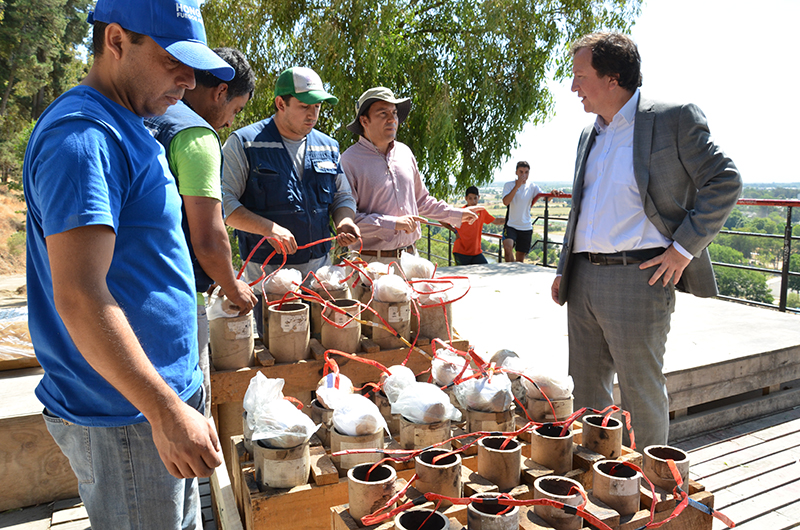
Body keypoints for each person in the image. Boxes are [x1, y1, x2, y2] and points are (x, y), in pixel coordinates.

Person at [23, 0, 235, 528]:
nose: (189, 81)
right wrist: (165, 411)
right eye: (173, 62)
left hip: (152, 407)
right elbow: (79, 296)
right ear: (117, 41)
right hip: (127, 417)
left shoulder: (130, 124)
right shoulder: (82, 139)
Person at [550, 33, 741, 449]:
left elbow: (725, 181)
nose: (573, 86)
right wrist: (566, 268)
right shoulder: (588, 133)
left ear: (613, 78)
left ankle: (653, 482)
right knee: (586, 391)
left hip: (639, 277)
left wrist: (683, 250)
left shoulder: (673, 119)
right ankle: (598, 476)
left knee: (640, 392)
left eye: (580, 76)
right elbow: (585, 207)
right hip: (583, 279)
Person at [145, 47, 258, 415]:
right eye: (235, 110)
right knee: (190, 414)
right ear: (220, 92)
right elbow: (209, 239)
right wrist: (231, 285)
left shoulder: (145, 116)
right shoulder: (196, 136)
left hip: (133, 294)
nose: (229, 122)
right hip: (176, 303)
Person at [221, 66, 359, 335]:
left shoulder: (328, 146)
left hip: (320, 279)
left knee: (322, 344)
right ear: (280, 103)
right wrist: (268, 228)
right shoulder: (245, 143)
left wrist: (345, 221)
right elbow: (226, 206)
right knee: (279, 347)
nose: (313, 114)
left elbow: (342, 196)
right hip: (268, 280)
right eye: (304, 106)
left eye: (317, 106)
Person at [340, 86, 477, 265]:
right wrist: (394, 223)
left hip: (411, 258)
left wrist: (457, 213)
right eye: (383, 113)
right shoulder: (348, 161)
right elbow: (348, 221)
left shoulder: (405, 153)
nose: (392, 119)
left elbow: (421, 201)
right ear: (364, 120)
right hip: (370, 262)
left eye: (394, 113)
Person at [501, 161, 548, 263]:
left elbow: (545, 198)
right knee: (507, 249)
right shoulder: (509, 185)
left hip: (525, 227)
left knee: (520, 260)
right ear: (516, 172)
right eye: (521, 172)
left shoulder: (533, 186)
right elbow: (506, 202)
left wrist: (553, 194)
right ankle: (510, 270)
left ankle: (514, 271)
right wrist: (516, 186)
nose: (524, 175)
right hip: (511, 225)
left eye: (526, 172)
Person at [447, 186, 504, 265]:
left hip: (476, 253)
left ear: (479, 198)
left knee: (486, 269)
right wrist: (454, 231)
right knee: (464, 273)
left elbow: (495, 221)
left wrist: (511, 219)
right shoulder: (460, 212)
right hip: (461, 252)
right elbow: (442, 219)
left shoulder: (482, 211)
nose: (473, 201)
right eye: (470, 198)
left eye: (475, 198)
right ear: (466, 198)